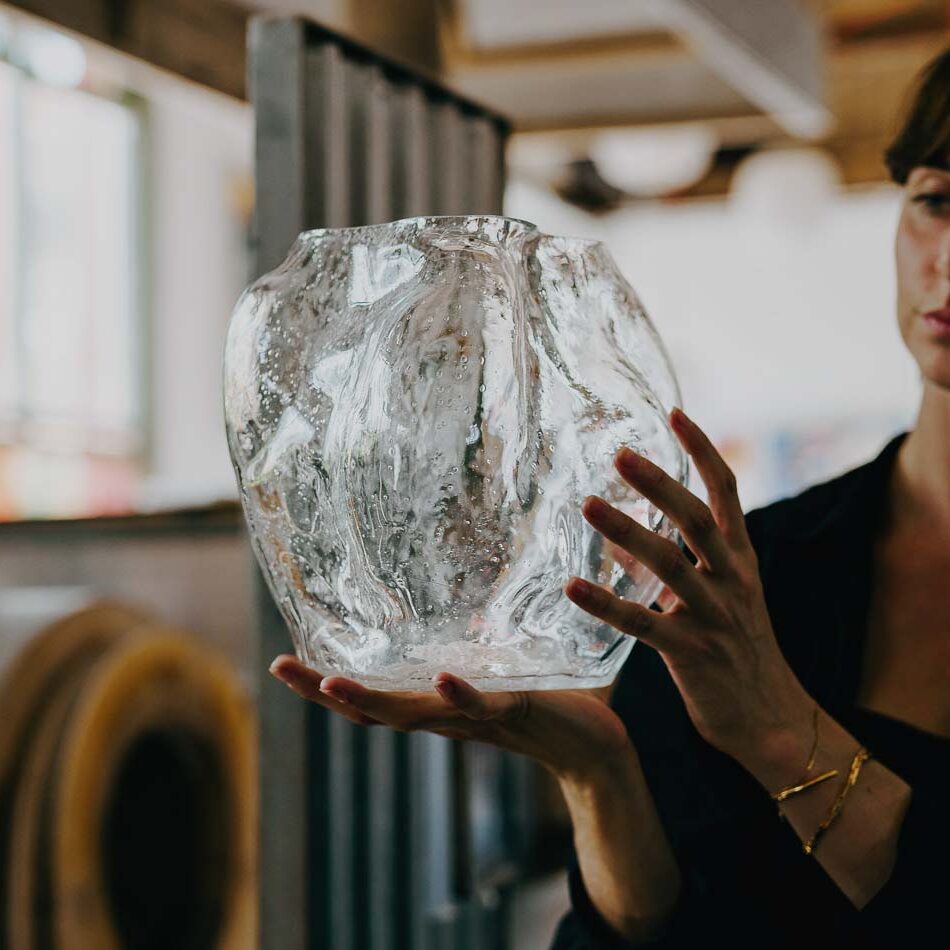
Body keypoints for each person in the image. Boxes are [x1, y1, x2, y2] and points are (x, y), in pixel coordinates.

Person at [268, 45, 950, 947]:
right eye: (936, 202)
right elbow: (675, 929)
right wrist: (595, 769)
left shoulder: (742, 632)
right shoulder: (756, 574)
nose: (948, 259)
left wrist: (778, 726)